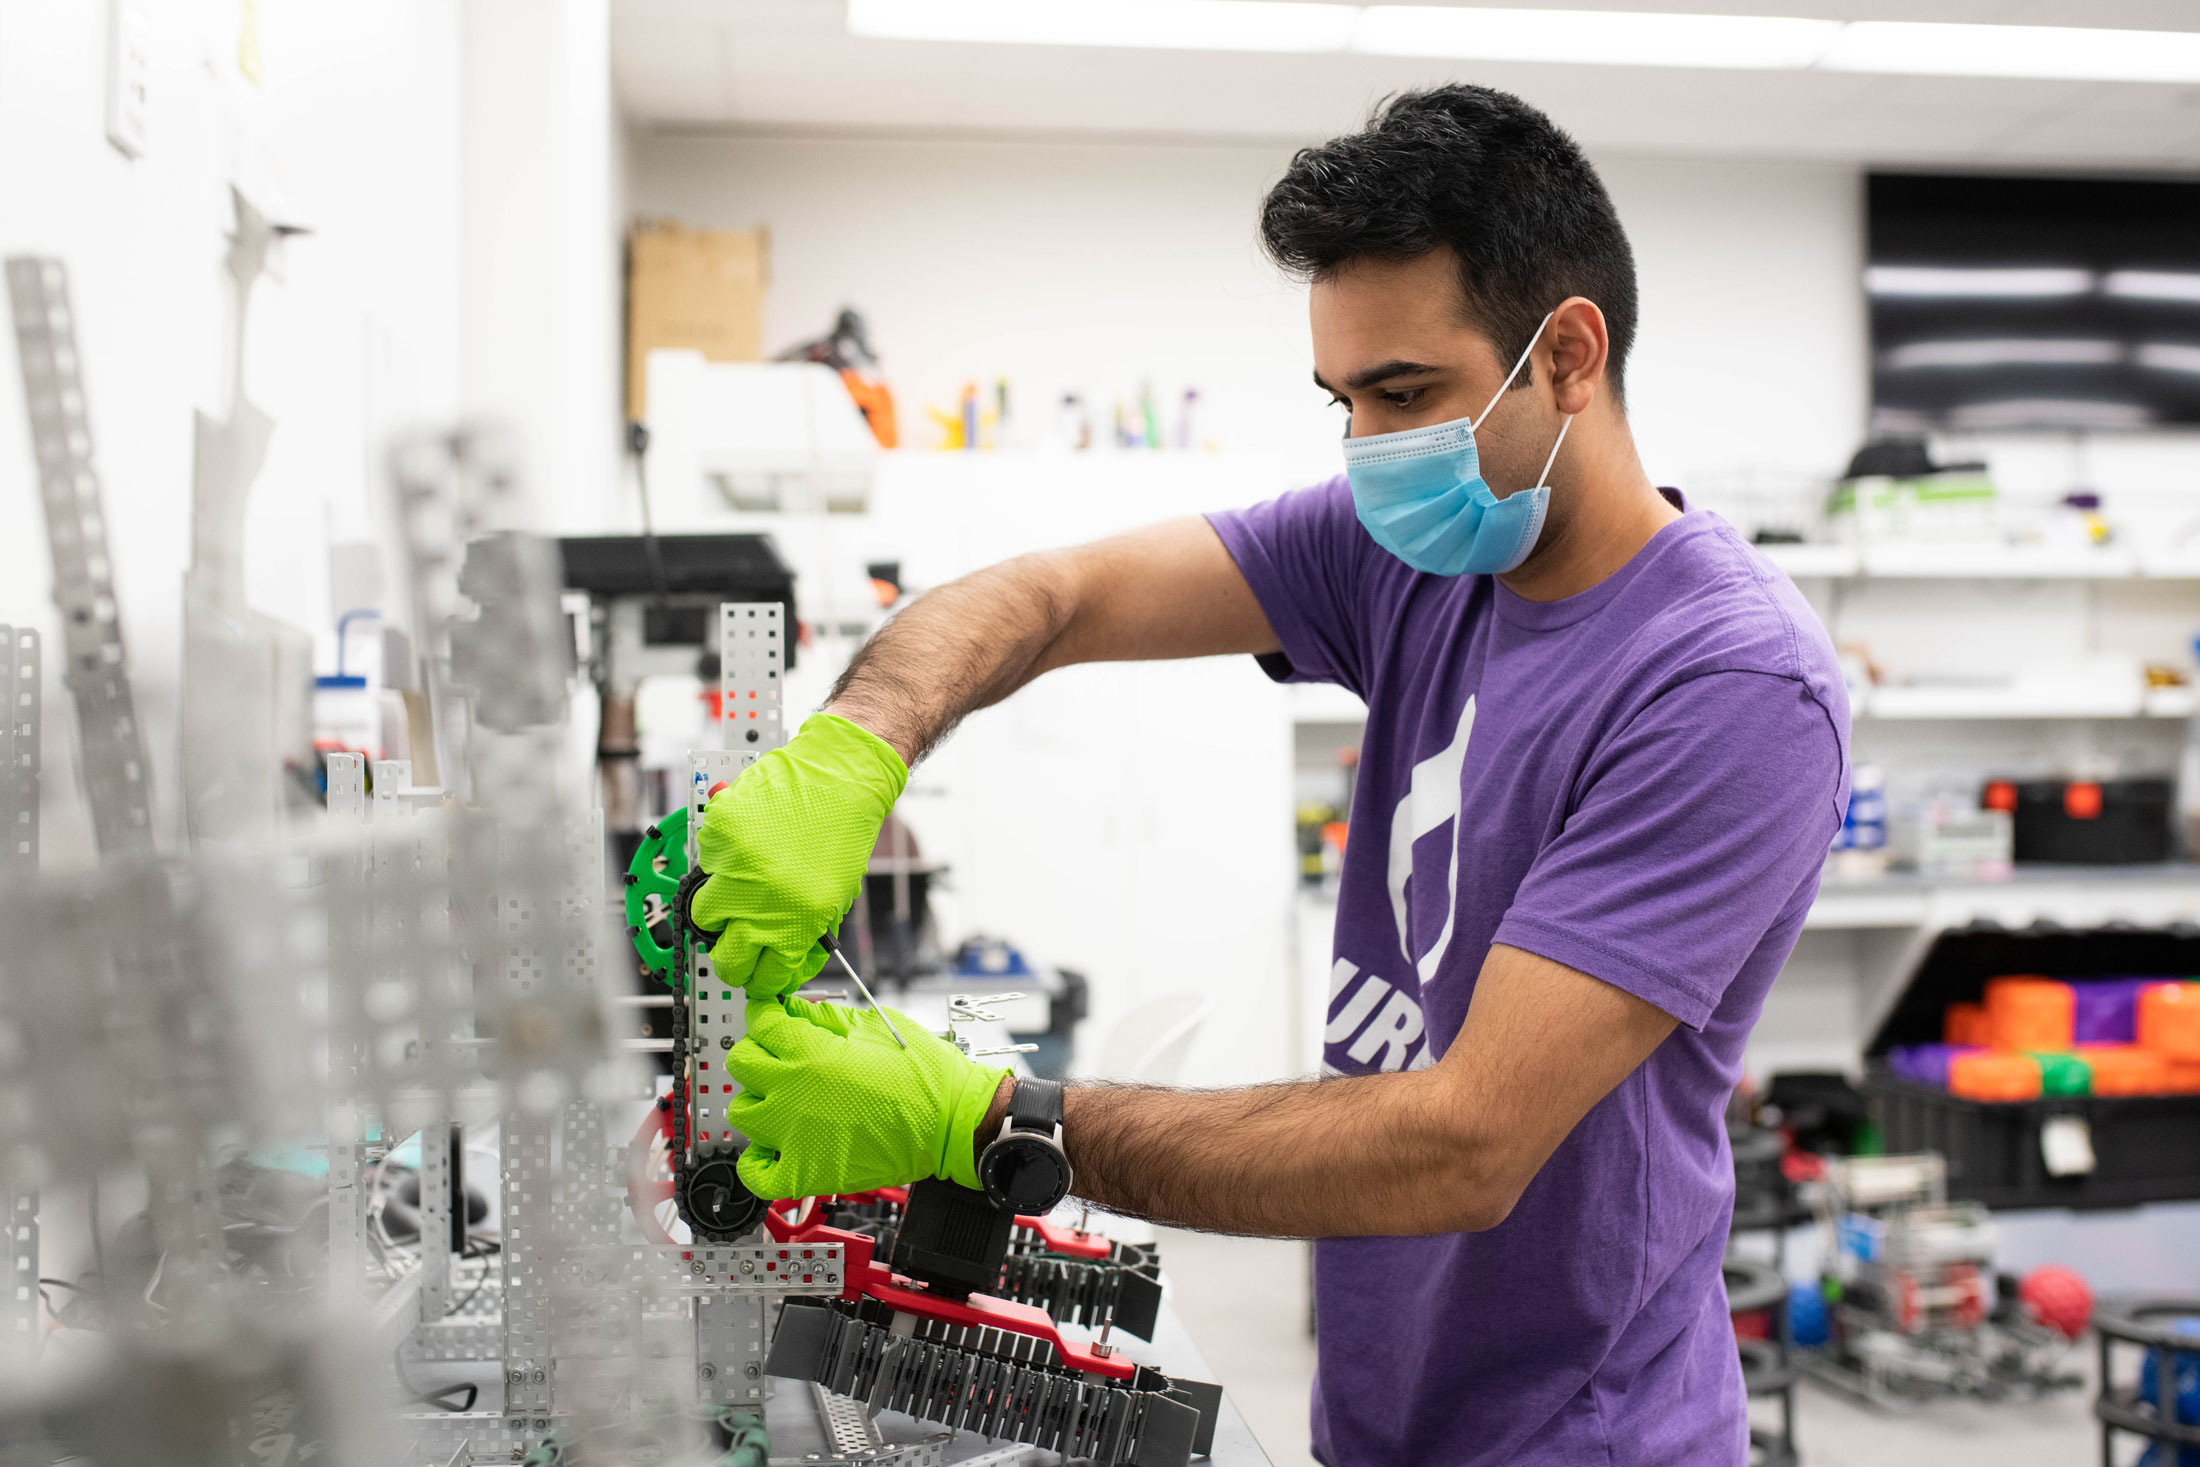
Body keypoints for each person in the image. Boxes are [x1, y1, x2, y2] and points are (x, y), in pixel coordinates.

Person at [690, 83, 1849, 1467]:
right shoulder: (1413, 558)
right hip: (1380, 1420)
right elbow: (1053, 595)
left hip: (1584, 1438)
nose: (1366, 447)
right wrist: (855, 746)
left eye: (1407, 392)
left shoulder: (1727, 685)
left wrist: (990, 1121)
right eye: (1343, 398)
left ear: (1571, 354)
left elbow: (1463, 1146)